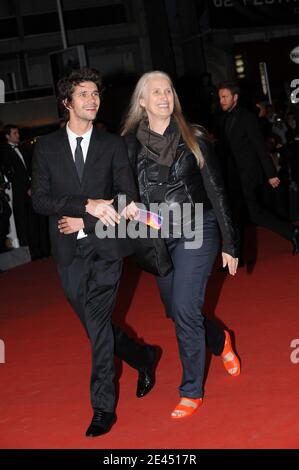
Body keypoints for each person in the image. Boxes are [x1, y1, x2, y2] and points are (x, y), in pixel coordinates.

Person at [32, 68, 159, 438]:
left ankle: (103, 407)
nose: (92, 100)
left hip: (106, 248)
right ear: (67, 102)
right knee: (94, 325)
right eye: (84, 94)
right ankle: (143, 357)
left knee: (99, 327)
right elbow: (40, 200)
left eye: (95, 94)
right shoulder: (47, 148)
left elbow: (126, 198)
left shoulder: (113, 145)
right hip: (68, 252)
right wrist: (84, 205)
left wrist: (86, 221)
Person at [120, 71, 240, 419]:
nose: (163, 96)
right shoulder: (128, 144)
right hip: (156, 234)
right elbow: (120, 188)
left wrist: (230, 242)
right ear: (142, 101)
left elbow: (217, 191)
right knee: (176, 309)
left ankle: (191, 390)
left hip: (197, 227)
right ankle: (220, 340)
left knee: (186, 309)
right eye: (155, 91)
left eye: (168, 90)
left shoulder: (194, 137)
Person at [217, 81, 299, 262]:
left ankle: (235, 256)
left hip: (248, 173)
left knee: (244, 213)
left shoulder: (247, 117)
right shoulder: (223, 119)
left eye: (225, 97)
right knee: (246, 214)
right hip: (233, 175)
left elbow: (259, 147)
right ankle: (292, 232)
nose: (221, 100)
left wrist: (270, 174)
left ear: (235, 97)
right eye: (220, 97)